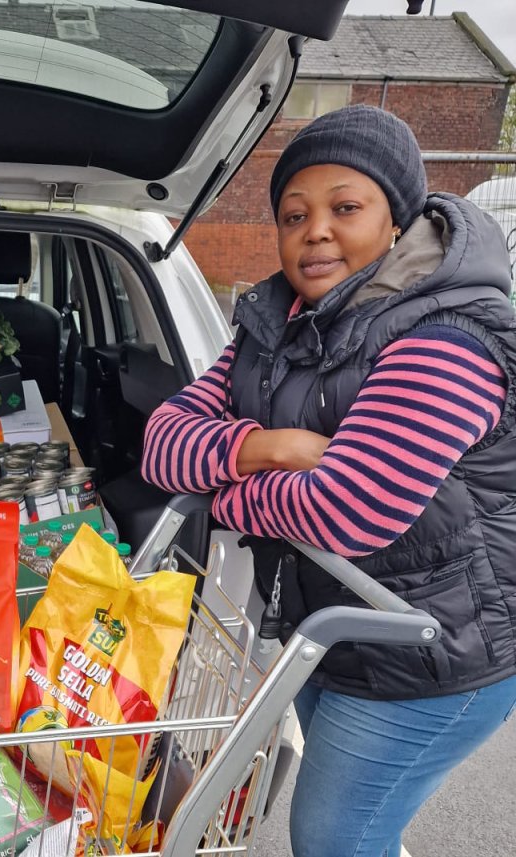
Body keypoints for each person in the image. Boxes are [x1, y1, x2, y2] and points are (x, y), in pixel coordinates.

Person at [142, 104, 516, 857]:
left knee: (335, 834)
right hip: (337, 632)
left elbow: (346, 511)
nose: (314, 230)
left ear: (398, 217)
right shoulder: (272, 328)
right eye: (293, 213)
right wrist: (272, 445)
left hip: (436, 649)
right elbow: (160, 444)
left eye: (345, 207)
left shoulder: (447, 337)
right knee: (365, 827)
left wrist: (226, 488)